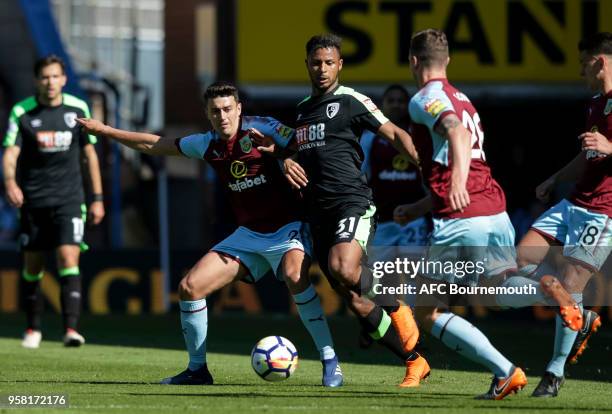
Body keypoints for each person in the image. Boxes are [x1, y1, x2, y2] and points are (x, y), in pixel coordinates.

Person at [77, 81, 344, 387]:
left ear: (239, 109)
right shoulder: (207, 144)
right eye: (215, 111)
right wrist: (106, 131)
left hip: (289, 228)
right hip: (248, 235)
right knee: (190, 286)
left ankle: (329, 360)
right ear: (208, 114)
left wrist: (284, 157)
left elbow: (306, 145)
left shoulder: (264, 127)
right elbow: (154, 144)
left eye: (228, 109)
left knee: (295, 275)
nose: (223, 116)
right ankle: (197, 370)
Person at [271, 34, 428, 387]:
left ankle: (397, 304)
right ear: (307, 64)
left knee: (344, 267)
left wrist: (426, 168)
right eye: (316, 62)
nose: (322, 68)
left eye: (329, 62)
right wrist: (284, 162)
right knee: (356, 302)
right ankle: (414, 360)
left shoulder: (351, 101)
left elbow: (394, 132)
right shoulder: (301, 110)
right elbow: (291, 151)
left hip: (351, 203)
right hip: (318, 214)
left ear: (339, 65)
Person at [399, 29, 534, 399]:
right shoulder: (463, 98)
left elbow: (457, 137)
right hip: (494, 210)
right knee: (499, 291)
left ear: (414, 61)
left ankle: (505, 370)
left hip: (462, 219)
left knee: (426, 311)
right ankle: (557, 293)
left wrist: (455, 185)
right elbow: (462, 154)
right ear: (448, 61)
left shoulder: (424, 98)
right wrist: (418, 207)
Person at [505, 31, 611, 398]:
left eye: (584, 64)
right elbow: (588, 157)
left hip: (602, 212)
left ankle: (554, 372)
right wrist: (555, 178)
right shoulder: (597, 103)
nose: (581, 71)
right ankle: (577, 315)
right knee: (520, 259)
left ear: (599, 61)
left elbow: (605, 149)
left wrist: (610, 146)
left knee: (570, 286)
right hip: (573, 203)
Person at [2, 55, 105, 349]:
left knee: (68, 259)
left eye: (55, 76)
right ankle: (33, 327)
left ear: (64, 79)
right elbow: (10, 153)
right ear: (38, 80)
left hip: (70, 199)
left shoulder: (78, 109)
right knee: (33, 265)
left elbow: (89, 156)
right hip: (33, 201)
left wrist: (97, 198)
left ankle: (71, 329)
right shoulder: (22, 112)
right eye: (45, 77)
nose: (50, 82)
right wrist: (10, 182)